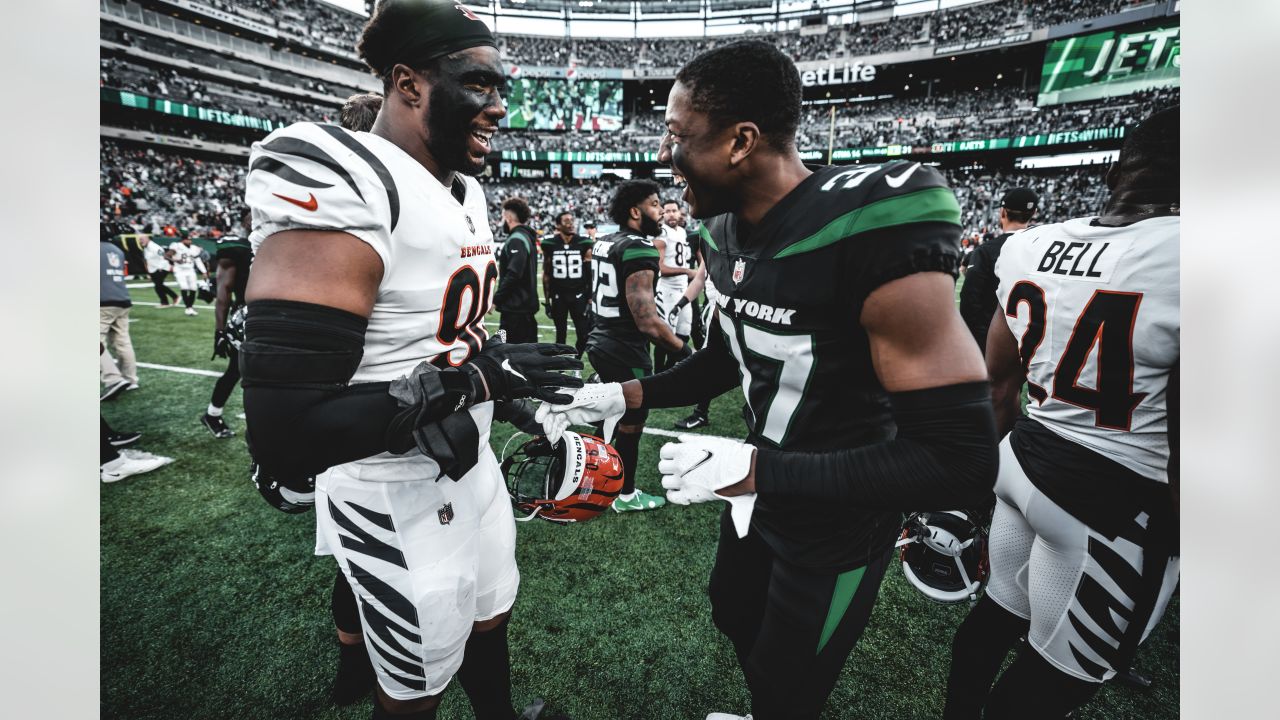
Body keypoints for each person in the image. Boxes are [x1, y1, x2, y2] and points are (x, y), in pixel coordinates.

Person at [538, 40, 997, 720]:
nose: (664, 157)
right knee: (733, 610)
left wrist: (759, 470)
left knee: (790, 684)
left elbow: (956, 458)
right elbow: (729, 355)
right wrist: (622, 394)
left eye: (676, 135)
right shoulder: (723, 230)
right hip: (761, 492)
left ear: (740, 141)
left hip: (839, 513)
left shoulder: (867, 225)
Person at [240, 3, 580, 719]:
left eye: (501, 90)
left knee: (492, 613)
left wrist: (516, 396)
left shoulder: (469, 192)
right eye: (481, 86)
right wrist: (482, 379)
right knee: (415, 681)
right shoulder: (347, 174)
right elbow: (286, 430)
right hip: (393, 490)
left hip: (470, 457)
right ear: (408, 83)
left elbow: (443, 337)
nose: (498, 107)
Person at [942, 108, 1180, 720]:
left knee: (991, 621)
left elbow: (996, 387)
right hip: (1113, 502)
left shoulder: (1030, 245)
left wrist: (979, 493)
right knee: (1052, 686)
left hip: (1021, 462)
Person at [582, 180, 692, 513]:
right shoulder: (639, 247)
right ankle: (625, 494)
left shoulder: (605, 241)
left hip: (600, 339)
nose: (660, 211)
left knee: (611, 415)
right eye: (655, 204)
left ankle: (587, 474)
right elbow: (647, 321)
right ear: (635, 211)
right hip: (624, 347)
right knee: (632, 421)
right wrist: (685, 353)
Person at [957, 187, 1037, 352]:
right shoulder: (1044, 248)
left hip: (992, 339)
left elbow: (969, 301)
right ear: (1033, 213)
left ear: (1003, 213)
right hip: (1032, 340)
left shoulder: (986, 251)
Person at [200, 208, 253, 439]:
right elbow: (224, 291)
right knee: (238, 370)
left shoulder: (277, 244)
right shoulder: (239, 248)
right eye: (252, 215)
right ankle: (213, 414)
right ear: (245, 222)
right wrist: (220, 330)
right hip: (248, 318)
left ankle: (212, 414)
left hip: (275, 316)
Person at [652, 198, 697, 373]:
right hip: (667, 290)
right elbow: (660, 268)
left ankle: (669, 371)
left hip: (683, 290)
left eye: (674, 210)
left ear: (680, 212)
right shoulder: (662, 233)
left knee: (684, 333)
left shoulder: (681, 231)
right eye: (667, 211)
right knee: (665, 336)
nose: (671, 214)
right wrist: (687, 271)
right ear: (663, 214)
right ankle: (658, 374)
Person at [540, 211, 593, 356]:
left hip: (579, 295)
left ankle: (576, 361)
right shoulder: (550, 243)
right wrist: (547, 301)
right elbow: (546, 273)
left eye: (572, 220)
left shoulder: (584, 242)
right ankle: (561, 366)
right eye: (566, 221)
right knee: (561, 336)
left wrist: (590, 298)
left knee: (584, 335)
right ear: (558, 225)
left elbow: (590, 274)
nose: (570, 224)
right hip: (559, 296)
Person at [495, 197, 540, 343]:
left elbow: (513, 274)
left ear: (508, 217)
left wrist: (496, 300)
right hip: (523, 309)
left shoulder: (517, 239)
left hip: (515, 311)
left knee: (507, 355)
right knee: (527, 357)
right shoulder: (526, 237)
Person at [101, 225, 138, 399]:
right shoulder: (117, 249)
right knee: (123, 341)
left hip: (103, 301)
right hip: (122, 298)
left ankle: (112, 379)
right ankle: (130, 379)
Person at [167, 233, 208, 316]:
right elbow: (167, 255)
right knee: (184, 287)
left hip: (190, 270)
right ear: (183, 240)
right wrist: (175, 261)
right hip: (179, 270)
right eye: (187, 239)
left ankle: (189, 307)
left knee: (193, 288)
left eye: (190, 239)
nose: (189, 241)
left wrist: (204, 271)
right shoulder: (176, 246)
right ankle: (188, 308)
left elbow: (198, 261)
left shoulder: (194, 248)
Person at [142, 233, 180, 307]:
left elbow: (164, 255)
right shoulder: (146, 248)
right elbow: (147, 260)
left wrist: (163, 266)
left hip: (162, 268)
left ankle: (174, 297)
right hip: (153, 269)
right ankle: (165, 302)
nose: (140, 241)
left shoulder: (154, 247)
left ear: (147, 239)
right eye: (140, 239)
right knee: (158, 286)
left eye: (142, 239)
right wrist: (149, 273)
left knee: (158, 285)